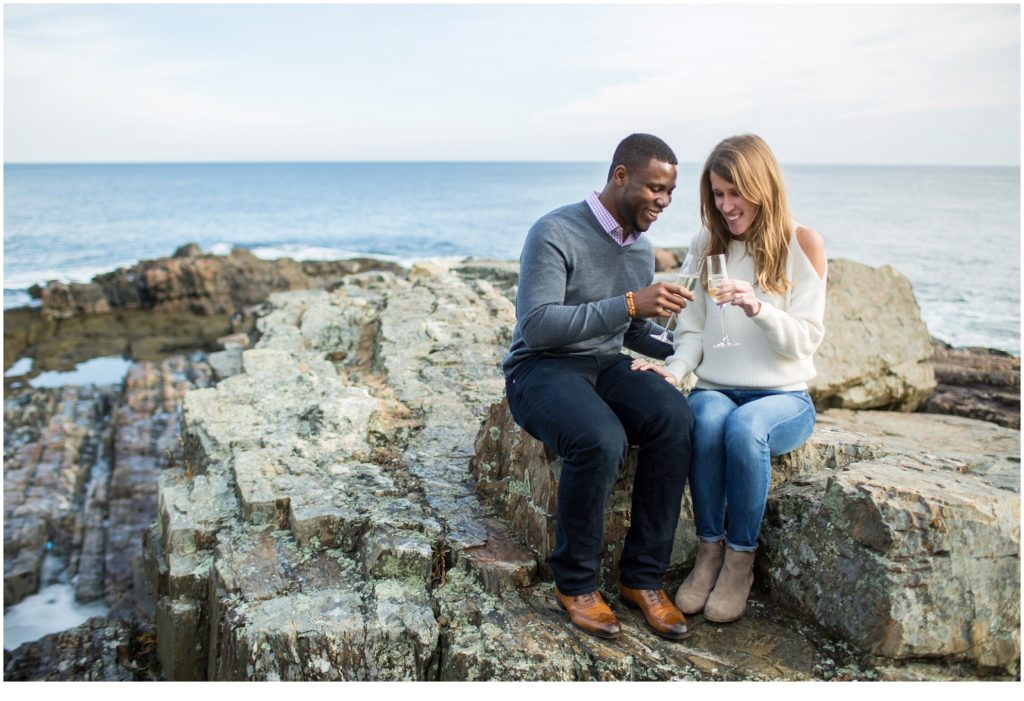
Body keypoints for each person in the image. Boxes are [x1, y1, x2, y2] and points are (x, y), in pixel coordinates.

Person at [503, 134, 697, 641]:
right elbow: (539, 325)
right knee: (600, 438)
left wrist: (688, 343)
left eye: (670, 193)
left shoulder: (641, 248)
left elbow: (632, 333)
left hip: (605, 363)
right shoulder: (555, 230)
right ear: (619, 176)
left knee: (675, 418)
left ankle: (643, 579)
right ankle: (576, 583)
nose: (663, 201)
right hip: (541, 368)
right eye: (655, 187)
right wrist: (632, 303)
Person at [632, 134, 827, 623]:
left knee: (745, 429)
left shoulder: (802, 243)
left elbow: (805, 341)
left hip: (784, 396)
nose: (726, 205)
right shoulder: (706, 242)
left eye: (734, 193)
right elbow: (693, 330)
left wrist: (756, 306)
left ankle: (740, 560)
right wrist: (672, 370)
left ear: (761, 186)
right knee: (704, 415)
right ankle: (709, 551)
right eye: (717, 195)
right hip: (718, 386)